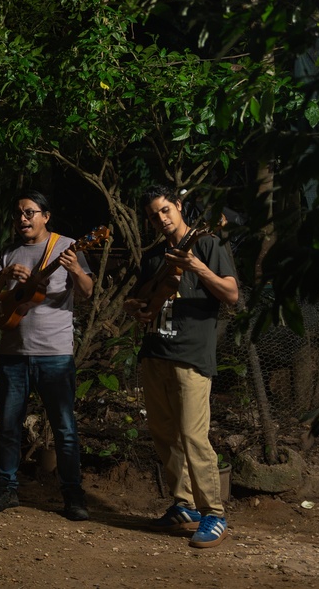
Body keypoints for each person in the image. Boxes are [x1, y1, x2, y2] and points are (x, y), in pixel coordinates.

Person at [123, 184, 239, 549]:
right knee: (163, 433)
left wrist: (197, 268)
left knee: (193, 436)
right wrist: (134, 306)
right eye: (153, 214)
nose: (160, 218)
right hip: (155, 352)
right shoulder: (155, 255)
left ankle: (214, 513)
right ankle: (184, 505)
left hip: (191, 354)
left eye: (165, 210)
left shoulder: (209, 244)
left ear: (178, 206)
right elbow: (142, 301)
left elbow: (232, 294)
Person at [0, 190, 94, 520]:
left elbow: (85, 293)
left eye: (30, 212)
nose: (23, 219)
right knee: (9, 426)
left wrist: (75, 269)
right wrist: (3, 275)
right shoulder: (9, 252)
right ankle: (5, 488)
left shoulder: (67, 246)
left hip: (55, 354)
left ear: (46, 216)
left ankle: (73, 495)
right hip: (13, 354)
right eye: (18, 214)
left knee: (64, 429)